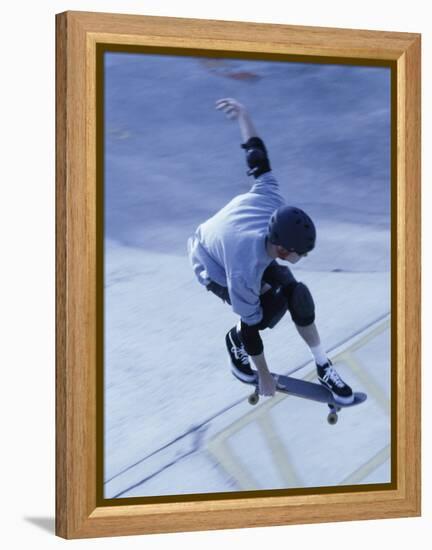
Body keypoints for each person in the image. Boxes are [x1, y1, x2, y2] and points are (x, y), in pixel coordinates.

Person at [187, 98, 353, 404]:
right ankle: (231, 340)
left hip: (236, 238)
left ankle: (323, 365)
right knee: (261, 313)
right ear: (281, 248)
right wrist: (263, 373)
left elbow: (256, 155)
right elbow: (253, 330)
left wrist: (244, 114)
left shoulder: (270, 195)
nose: (301, 258)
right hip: (210, 261)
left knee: (296, 293)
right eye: (298, 253)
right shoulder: (244, 270)